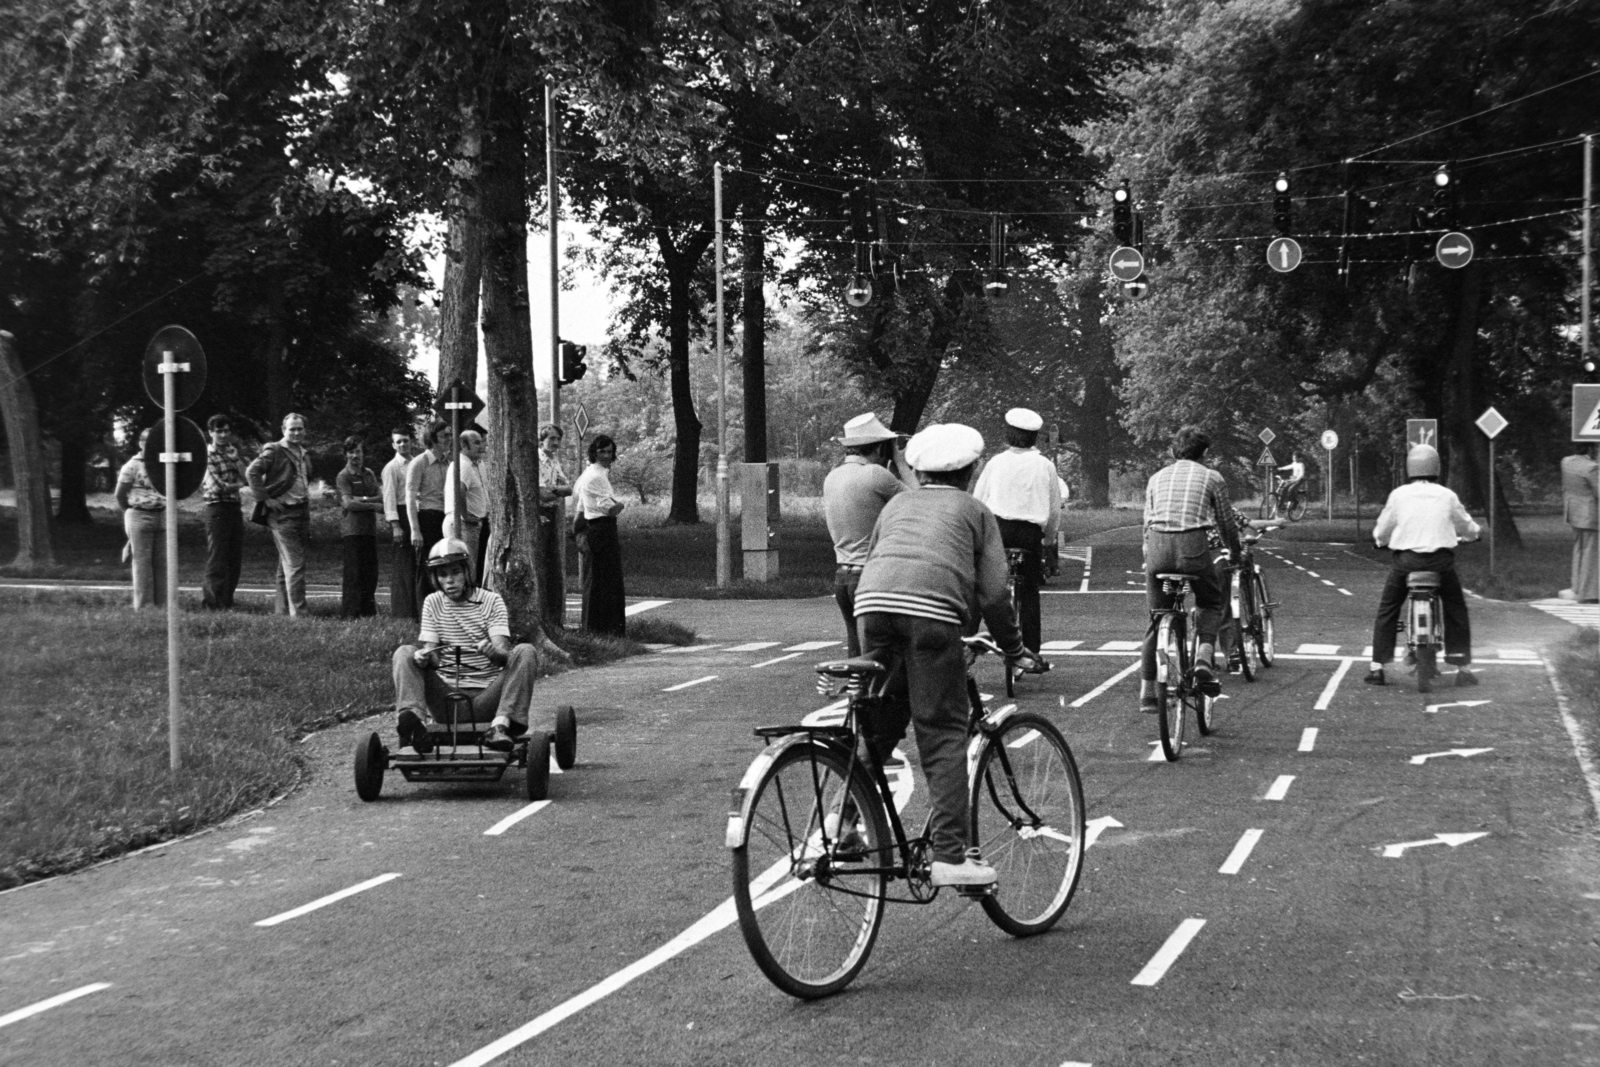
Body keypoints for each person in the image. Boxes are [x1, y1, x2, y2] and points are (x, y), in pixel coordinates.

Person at [852, 423, 1041, 888]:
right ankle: (951, 856)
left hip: (871, 608)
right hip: (932, 618)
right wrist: (1015, 650)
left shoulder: (897, 503)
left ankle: (841, 827)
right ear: (971, 470)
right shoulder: (975, 512)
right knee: (942, 733)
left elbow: (880, 558)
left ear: (915, 470)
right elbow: (996, 593)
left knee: (881, 723)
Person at [391, 539, 540, 753]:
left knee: (525, 651)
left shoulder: (491, 601)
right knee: (405, 652)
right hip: (446, 701)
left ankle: (500, 726)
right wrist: (424, 656)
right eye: (443, 575)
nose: (449, 581)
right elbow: (433, 656)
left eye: (455, 573)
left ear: (467, 572)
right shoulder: (432, 603)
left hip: (485, 699)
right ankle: (415, 725)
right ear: (435, 578)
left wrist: (492, 652)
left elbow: (503, 653)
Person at [1140, 426, 1241, 713]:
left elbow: (1146, 524)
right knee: (1210, 602)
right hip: (1192, 549)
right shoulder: (1212, 477)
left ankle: (1147, 694)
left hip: (1158, 548)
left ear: (1174, 451)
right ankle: (1203, 659)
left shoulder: (1156, 478)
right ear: (1205, 454)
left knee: (1157, 618)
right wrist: (1233, 551)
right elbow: (1225, 522)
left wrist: (1148, 555)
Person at [1364, 444, 1481, 686]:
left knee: (1388, 609)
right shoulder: (1447, 495)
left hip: (1406, 562)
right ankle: (1463, 667)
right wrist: (1473, 535)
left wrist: (1379, 541)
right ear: (1436, 467)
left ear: (1410, 468)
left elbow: (1384, 528)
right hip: (1441, 563)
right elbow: (1466, 524)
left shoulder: (1399, 495)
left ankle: (1377, 666)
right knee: (1456, 609)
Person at [971, 407, 1062, 665]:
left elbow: (979, 498)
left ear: (1009, 434)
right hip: (1029, 534)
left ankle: (965, 642)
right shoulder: (1044, 466)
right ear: (1035, 438)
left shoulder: (996, 462)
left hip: (999, 530)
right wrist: (1049, 539)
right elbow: (1054, 508)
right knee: (1030, 591)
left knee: (984, 586)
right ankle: (1030, 653)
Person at [823, 413, 905, 656]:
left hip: (843, 576)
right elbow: (920, 499)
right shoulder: (876, 475)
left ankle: (858, 690)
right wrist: (899, 461)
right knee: (885, 649)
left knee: (857, 650)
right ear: (880, 447)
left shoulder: (832, 477)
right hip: (871, 576)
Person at [246, 412, 313, 617]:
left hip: (301, 511)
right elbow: (252, 472)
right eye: (292, 429)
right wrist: (265, 498)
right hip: (283, 514)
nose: (296, 432)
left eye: (299, 428)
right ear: (284, 430)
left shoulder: (302, 452)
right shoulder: (275, 449)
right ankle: (299, 616)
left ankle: (282, 611)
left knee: (286, 566)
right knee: (295, 564)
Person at [572, 433, 626, 635]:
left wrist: (576, 530)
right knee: (604, 581)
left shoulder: (593, 473)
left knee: (598, 581)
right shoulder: (596, 477)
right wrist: (620, 504)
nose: (605, 455)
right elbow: (608, 508)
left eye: (609, 452)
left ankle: (596, 628)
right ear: (594, 452)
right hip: (601, 529)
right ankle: (603, 629)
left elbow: (580, 507)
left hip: (593, 529)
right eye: (601, 451)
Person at [199, 414, 247, 609]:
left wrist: (236, 461)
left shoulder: (231, 453)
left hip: (234, 508)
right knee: (218, 558)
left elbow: (248, 476)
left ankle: (227, 601)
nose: (223, 435)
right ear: (211, 432)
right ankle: (211, 603)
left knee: (234, 558)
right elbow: (217, 486)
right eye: (219, 431)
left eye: (227, 431)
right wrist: (240, 484)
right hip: (216, 508)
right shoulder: (206, 456)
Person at [115, 427, 165, 609]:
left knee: (162, 563)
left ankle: (163, 606)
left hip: (161, 514)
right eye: (148, 443)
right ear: (141, 444)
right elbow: (120, 494)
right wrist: (130, 512)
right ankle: (145, 607)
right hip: (139, 515)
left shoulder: (163, 462)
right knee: (142, 564)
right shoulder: (133, 465)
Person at [336, 436, 384, 618]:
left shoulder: (369, 473)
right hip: (352, 531)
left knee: (370, 573)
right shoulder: (343, 476)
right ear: (346, 454)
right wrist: (371, 505)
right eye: (351, 452)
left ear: (363, 453)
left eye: (358, 451)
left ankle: (367, 612)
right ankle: (350, 614)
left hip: (369, 530)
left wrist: (360, 499)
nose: (354, 455)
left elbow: (380, 497)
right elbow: (348, 504)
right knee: (354, 575)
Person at [406, 419, 450, 604]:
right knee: (427, 566)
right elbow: (409, 497)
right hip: (428, 517)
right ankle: (424, 613)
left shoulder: (449, 461)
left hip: (445, 517)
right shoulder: (419, 463)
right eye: (444, 435)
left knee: (443, 564)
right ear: (432, 439)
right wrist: (415, 530)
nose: (449, 438)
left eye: (450, 434)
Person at [382, 425, 419, 619]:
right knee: (403, 565)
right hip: (401, 517)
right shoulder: (391, 468)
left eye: (406, 440)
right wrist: (395, 526)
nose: (403, 444)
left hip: (416, 514)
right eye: (399, 441)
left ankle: (416, 609)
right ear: (393, 445)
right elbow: (389, 498)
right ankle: (402, 612)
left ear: (411, 441)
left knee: (416, 564)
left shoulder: (416, 462)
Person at [538, 423, 573, 616]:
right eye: (551, 438)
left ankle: (552, 614)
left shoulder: (554, 461)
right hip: (540, 513)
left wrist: (554, 490)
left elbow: (568, 488)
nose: (556, 443)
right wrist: (556, 491)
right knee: (543, 561)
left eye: (558, 439)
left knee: (552, 562)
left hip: (553, 513)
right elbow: (541, 494)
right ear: (542, 439)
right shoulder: (537, 459)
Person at [444, 428, 489, 577]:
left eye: (481, 442)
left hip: (473, 525)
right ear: (464, 445)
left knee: (471, 568)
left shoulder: (475, 464)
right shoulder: (463, 465)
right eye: (476, 443)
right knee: (465, 569)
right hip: (462, 524)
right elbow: (459, 490)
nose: (481, 446)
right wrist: (466, 516)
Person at [1560, 444, 1599, 602]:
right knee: (1592, 554)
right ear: (1590, 450)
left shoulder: (1566, 462)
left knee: (1579, 551)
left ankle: (1576, 587)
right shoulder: (1592, 468)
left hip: (1574, 513)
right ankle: (1590, 593)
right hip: (1591, 516)